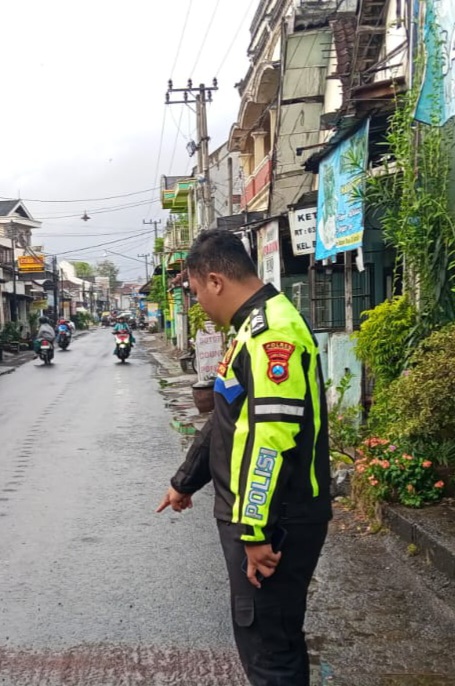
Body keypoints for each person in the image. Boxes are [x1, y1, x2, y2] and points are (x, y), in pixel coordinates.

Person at [156, 229, 331, 686]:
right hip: (263, 515)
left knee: (269, 646)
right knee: (265, 636)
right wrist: (185, 481)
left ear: (215, 280)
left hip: (277, 517)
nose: (197, 304)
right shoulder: (251, 329)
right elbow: (227, 419)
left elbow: (270, 439)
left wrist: (254, 530)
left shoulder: (274, 334)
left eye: (195, 292)